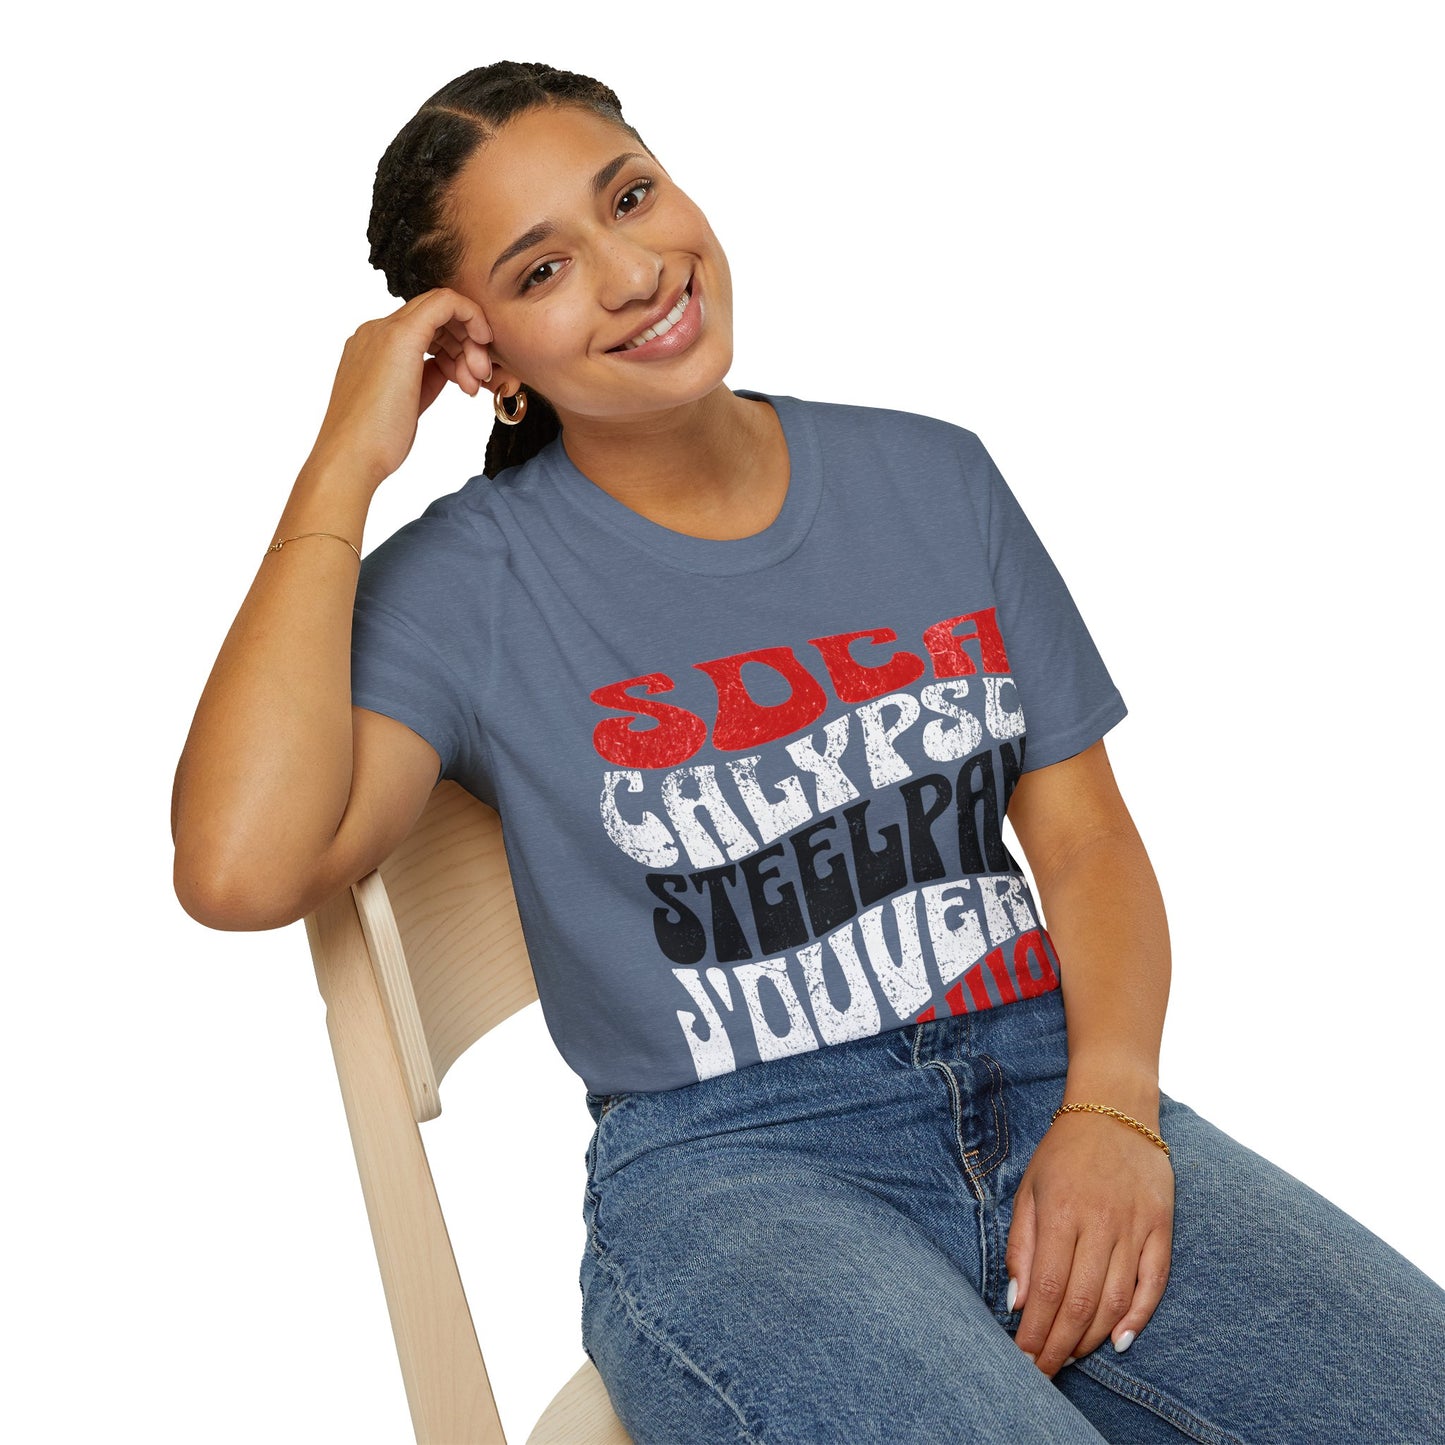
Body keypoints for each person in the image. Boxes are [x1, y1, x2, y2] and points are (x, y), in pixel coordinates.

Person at [172, 60, 1445, 1444]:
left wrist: (1113, 1109)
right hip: (737, 1172)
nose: (632, 270)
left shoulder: (933, 478)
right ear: (483, 358)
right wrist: (340, 463)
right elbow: (239, 867)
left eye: (632, 196)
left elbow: (1083, 845)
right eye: (542, 271)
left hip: (1046, 1081)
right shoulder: (469, 582)